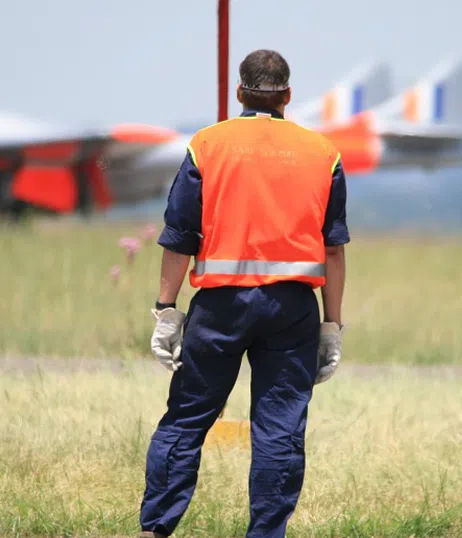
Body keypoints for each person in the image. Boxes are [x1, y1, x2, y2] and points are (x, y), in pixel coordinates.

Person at [138, 49, 349, 538]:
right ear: (288, 97)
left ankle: (154, 529)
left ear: (240, 93)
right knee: (279, 427)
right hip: (293, 309)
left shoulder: (207, 145)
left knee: (188, 417)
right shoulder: (323, 153)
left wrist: (166, 310)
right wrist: (331, 325)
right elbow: (333, 250)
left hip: (219, 307)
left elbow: (179, 236)